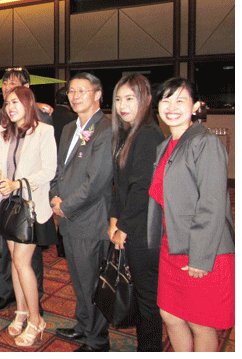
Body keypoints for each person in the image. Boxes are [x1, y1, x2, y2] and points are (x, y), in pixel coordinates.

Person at [147, 77, 234, 351]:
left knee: (200, 323)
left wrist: (200, 256)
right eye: (166, 100)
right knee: (170, 316)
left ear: (195, 106)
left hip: (200, 250)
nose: (172, 107)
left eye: (180, 100)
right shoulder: (166, 145)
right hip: (171, 246)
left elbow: (212, 204)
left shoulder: (205, 143)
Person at [0, 86, 57, 346]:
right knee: (16, 262)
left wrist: (17, 183)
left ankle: (36, 320)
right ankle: (21, 311)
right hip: (9, 206)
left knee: (21, 262)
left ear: (28, 103)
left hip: (31, 206)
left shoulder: (44, 131)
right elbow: (1, 167)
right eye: (7, 103)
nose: (10, 107)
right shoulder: (5, 132)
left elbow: (49, 171)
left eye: (15, 102)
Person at [50, 72, 113, 352]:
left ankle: (97, 340)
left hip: (90, 219)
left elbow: (96, 181)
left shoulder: (106, 129)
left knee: (91, 284)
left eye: (82, 91)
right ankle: (84, 326)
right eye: (71, 91)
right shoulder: (68, 128)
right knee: (78, 280)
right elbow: (59, 170)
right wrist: (54, 196)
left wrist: (65, 206)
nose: (75, 96)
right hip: (68, 218)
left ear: (97, 95)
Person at [108, 74, 165, 351]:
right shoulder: (128, 133)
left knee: (147, 300)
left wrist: (124, 227)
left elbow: (143, 188)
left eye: (130, 98)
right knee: (142, 297)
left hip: (143, 231)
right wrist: (113, 219)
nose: (122, 105)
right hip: (131, 225)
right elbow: (120, 185)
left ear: (146, 99)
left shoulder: (148, 134)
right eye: (119, 99)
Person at [50, 86, 77, 258]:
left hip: (50, 164)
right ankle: (63, 246)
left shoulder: (49, 116)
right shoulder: (73, 119)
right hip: (67, 167)